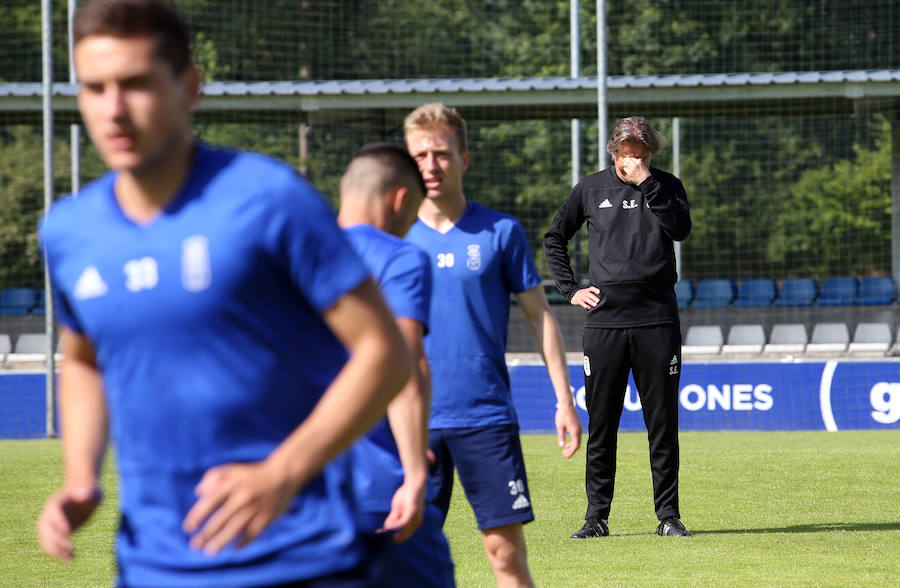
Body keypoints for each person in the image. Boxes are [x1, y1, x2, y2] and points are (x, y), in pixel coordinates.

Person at [35, 1, 412, 586]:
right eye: (93, 88)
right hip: (152, 564)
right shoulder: (68, 231)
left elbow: (384, 353)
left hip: (302, 557)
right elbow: (82, 358)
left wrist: (281, 473)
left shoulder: (268, 199)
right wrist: (82, 477)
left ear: (188, 88)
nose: (113, 111)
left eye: (135, 84)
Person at [404, 102, 582, 588]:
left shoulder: (500, 232)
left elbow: (540, 316)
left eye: (440, 154)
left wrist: (565, 401)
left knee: (504, 554)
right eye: (419, 155)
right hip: (408, 424)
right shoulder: (392, 237)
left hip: (486, 417)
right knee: (403, 558)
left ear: (463, 159)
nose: (430, 165)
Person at [543, 116, 693, 539]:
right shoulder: (590, 188)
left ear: (651, 153)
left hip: (657, 318)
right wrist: (570, 289)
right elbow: (555, 237)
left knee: (662, 422)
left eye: (642, 153)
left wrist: (648, 183)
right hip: (605, 321)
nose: (634, 159)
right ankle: (596, 518)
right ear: (614, 152)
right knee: (602, 423)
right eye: (628, 152)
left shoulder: (667, 185)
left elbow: (680, 230)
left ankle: (668, 516)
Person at [337, 142, 456, 588]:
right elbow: (405, 368)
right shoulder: (399, 258)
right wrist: (414, 470)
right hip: (379, 488)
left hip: (299, 499)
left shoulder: (287, 258)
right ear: (401, 199)